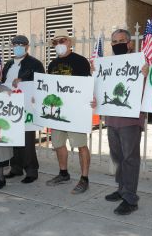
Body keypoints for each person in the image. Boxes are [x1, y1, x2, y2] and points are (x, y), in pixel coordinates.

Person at [92, 29, 148, 215]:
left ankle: (130, 198)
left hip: (131, 120)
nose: (117, 44)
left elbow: (149, 88)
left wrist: (147, 74)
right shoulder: (108, 64)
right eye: (114, 41)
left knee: (130, 158)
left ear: (130, 43)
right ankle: (122, 188)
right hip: (112, 118)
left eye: (121, 40)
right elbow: (100, 89)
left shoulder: (140, 63)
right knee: (118, 157)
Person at [44, 28, 92, 194]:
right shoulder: (52, 64)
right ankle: (63, 173)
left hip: (76, 111)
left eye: (62, 40)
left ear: (70, 42)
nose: (59, 44)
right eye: (56, 42)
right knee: (58, 144)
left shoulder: (80, 61)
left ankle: (84, 178)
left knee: (80, 145)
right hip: (57, 111)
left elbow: (87, 85)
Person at [1, 35, 45, 184]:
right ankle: (15, 168)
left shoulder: (35, 64)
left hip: (27, 107)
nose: (18, 46)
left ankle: (31, 171)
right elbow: (3, 82)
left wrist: (23, 81)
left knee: (27, 141)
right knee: (13, 138)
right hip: (10, 106)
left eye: (21, 44)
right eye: (15, 44)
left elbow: (41, 83)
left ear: (27, 46)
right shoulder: (8, 64)